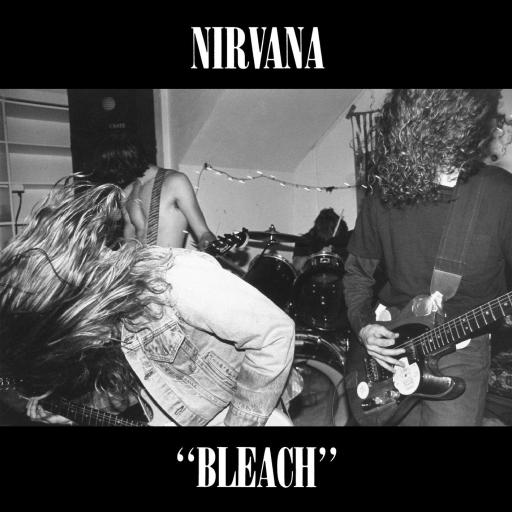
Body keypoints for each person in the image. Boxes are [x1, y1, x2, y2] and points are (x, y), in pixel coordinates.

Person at [0, 179, 301, 426]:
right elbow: (147, 386)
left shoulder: (174, 279)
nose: (91, 342)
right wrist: (74, 412)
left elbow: (275, 334)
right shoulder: (109, 313)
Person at [343, 89, 512, 426]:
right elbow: (357, 273)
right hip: (391, 345)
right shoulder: (384, 194)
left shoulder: (499, 192)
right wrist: (364, 329)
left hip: (461, 347)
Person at [89, 133, 216, 250]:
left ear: (124, 162)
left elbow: (203, 233)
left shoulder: (174, 181)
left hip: (170, 264)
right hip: (139, 265)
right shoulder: (127, 192)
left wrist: (210, 248)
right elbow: (130, 242)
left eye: (113, 167)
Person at [292, 208, 349, 273]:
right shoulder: (305, 240)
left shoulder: (342, 240)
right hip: (312, 277)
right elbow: (296, 266)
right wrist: (318, 255)